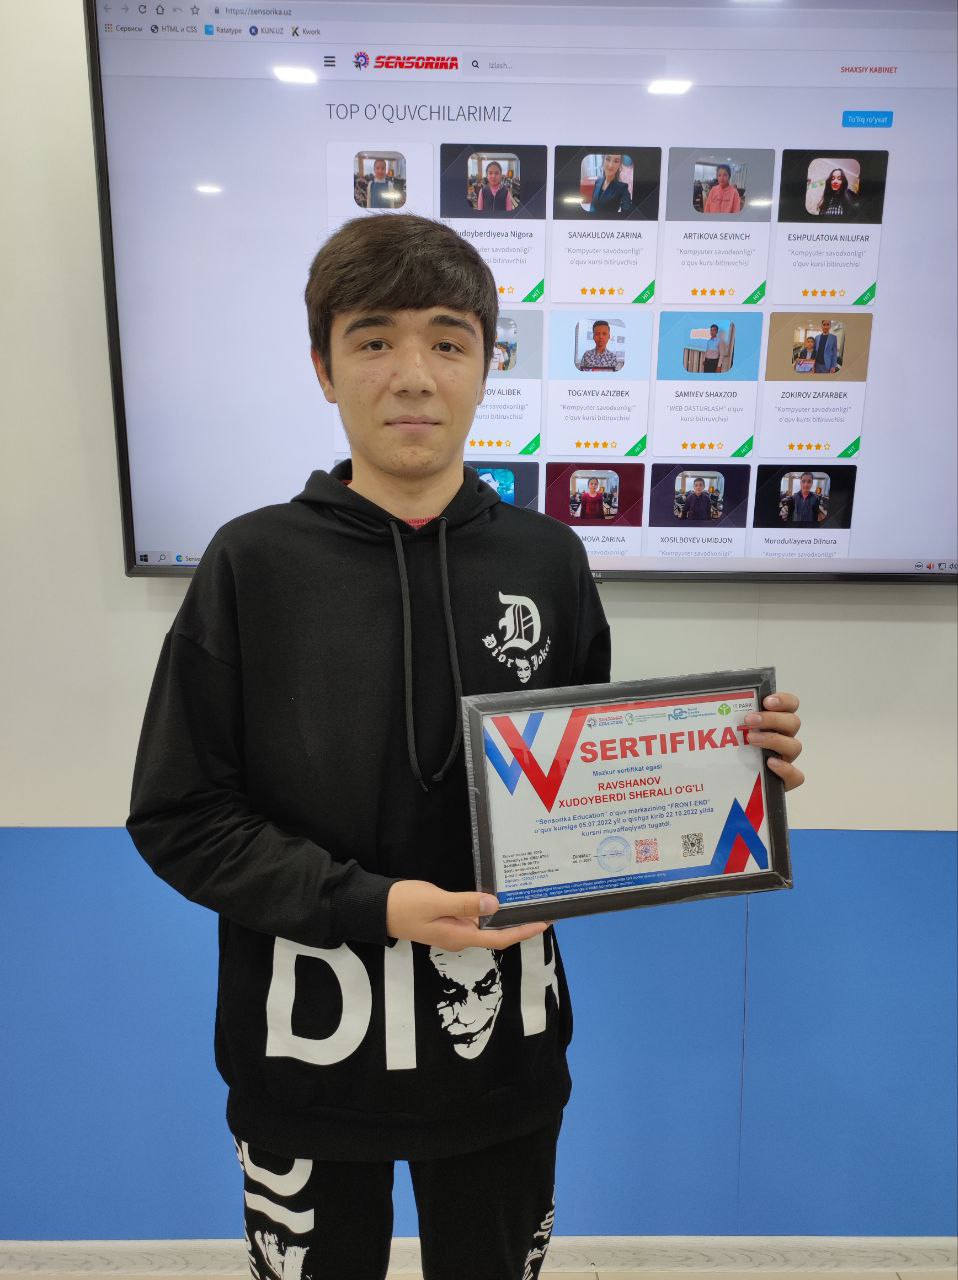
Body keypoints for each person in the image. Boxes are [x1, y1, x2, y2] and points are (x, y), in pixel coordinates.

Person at [127, 213, 805, 1280]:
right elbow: (181, 816)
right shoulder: (250, 562)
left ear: (488, 366)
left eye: (448, 341)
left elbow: (587, 787)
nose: (413, 374)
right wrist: (373, 904)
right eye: (373, 339)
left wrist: (730, 768)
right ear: (323, 368)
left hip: (504, 1053)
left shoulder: (549, 559)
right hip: (305, 1053)